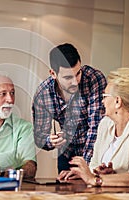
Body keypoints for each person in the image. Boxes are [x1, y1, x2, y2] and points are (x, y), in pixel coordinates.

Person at [58, 68, 129, 187]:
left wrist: (96, 180)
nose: (102, 101)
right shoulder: (105, 124)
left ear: (117, 101)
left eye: (105, 96)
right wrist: (86, 173)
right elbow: (94, 164)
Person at [32, 43, 107, 173]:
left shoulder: (94, 79)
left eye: (78, 73)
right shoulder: (43, 94)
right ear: (53, 74)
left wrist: (85, 168)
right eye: (68, 77)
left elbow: (96, 128)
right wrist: (51, 141)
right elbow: (39, 137)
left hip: (95, 151)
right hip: (67, 154)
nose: (75, 81)